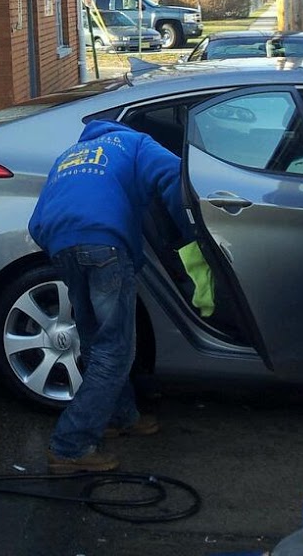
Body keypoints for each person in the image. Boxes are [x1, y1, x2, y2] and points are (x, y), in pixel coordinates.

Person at [28, 118, 190, 474]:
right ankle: (70, 445)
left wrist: (66, 247)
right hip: (106, 246)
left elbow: (36, 223)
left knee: (94, 342)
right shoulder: (137, 144)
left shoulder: (70, 154)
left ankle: (121, 416)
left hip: (62, 247)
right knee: (115, 351)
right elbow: (176, 178)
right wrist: (190, 233)